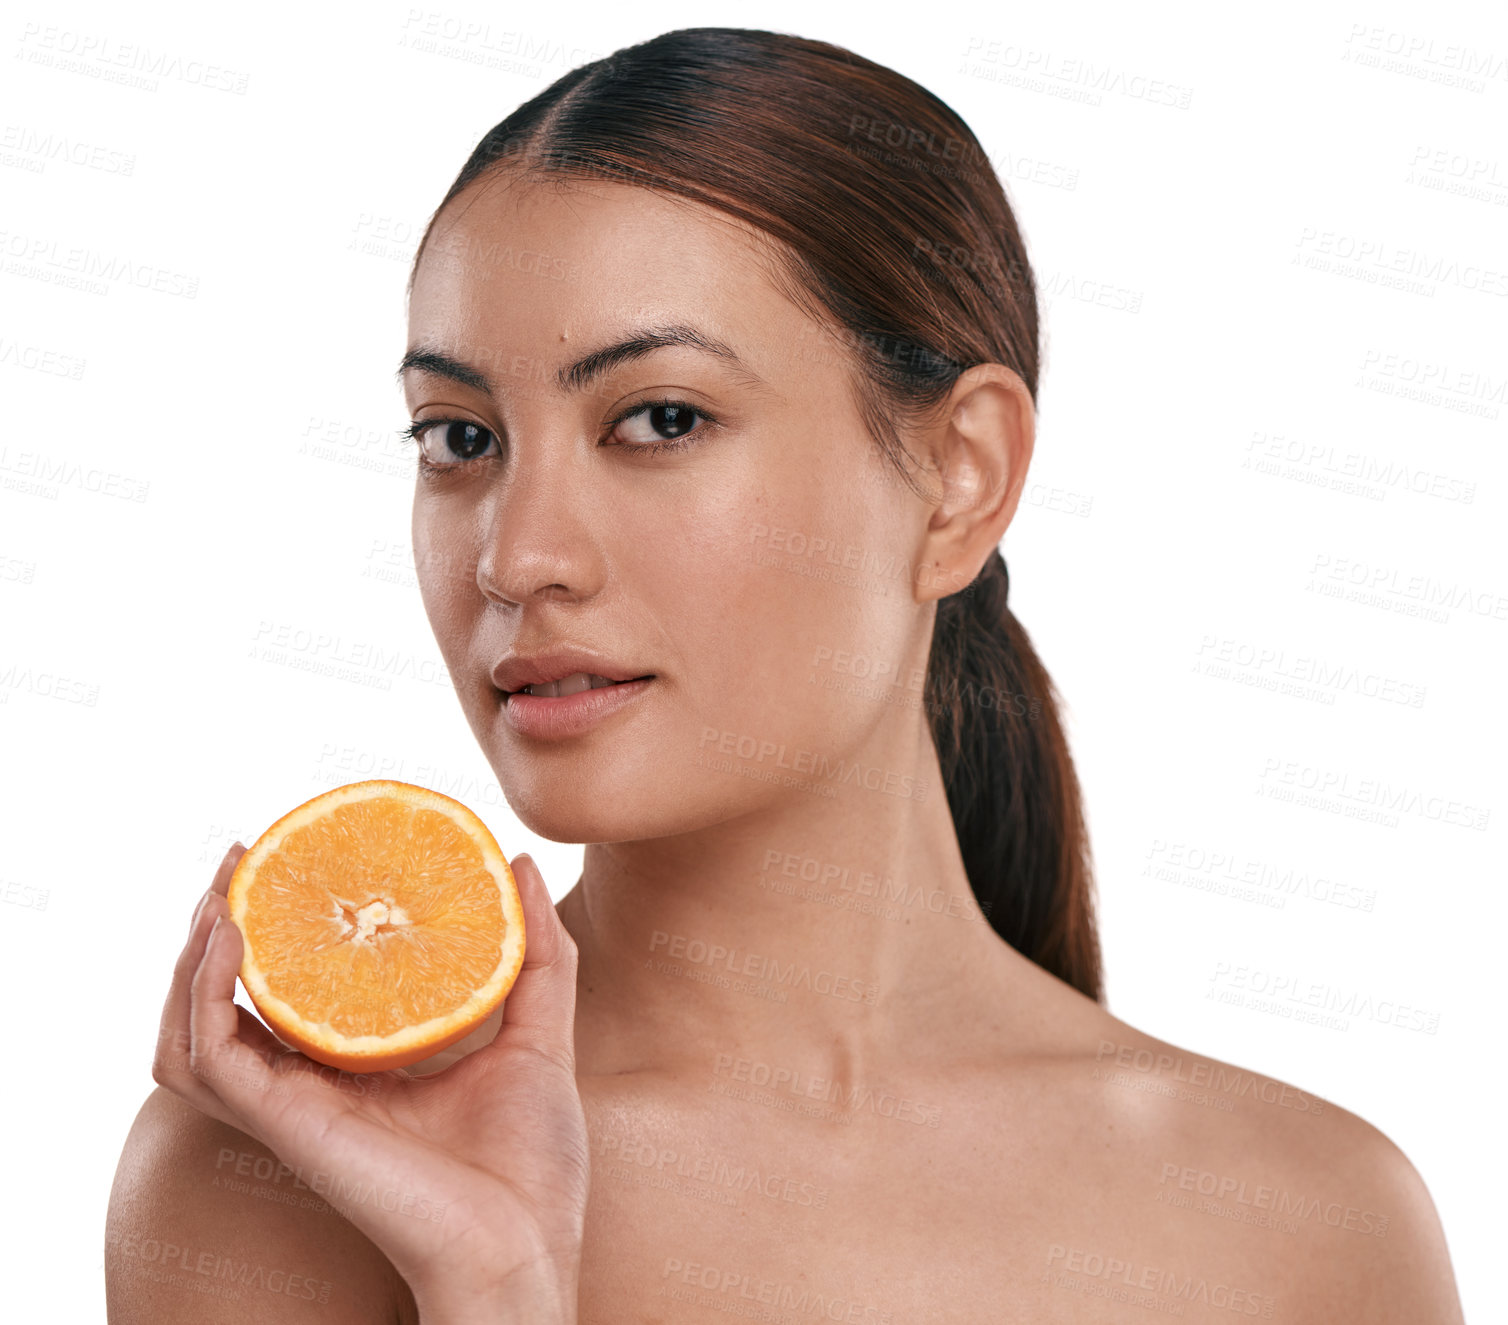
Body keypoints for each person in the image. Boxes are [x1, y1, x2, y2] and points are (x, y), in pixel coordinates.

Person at [107, 27, 1465, 1323]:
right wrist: (495, 1282)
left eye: (660, 418)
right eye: (460, 437)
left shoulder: (1310, 1224)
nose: (519, 556)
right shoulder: (280, 1174)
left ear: (960, 479)